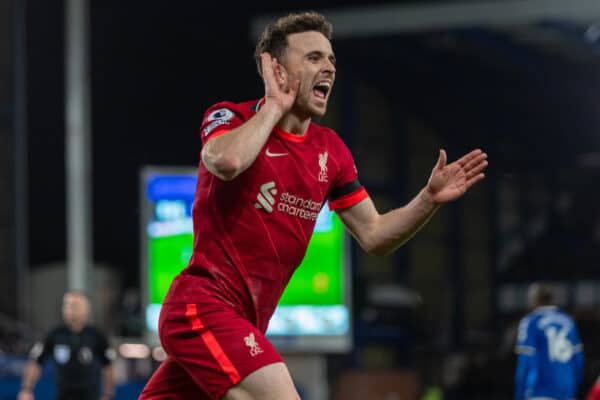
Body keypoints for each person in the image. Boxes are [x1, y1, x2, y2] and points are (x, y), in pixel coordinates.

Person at [140, 11, 488, 400]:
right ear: (276, 68)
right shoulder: (232, 117)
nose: (329, 68)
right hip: (201, 307)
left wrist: (428, 199)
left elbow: (375, 236)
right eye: (314, 58)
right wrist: (274, 105)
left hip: (242, 322)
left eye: (331, 59)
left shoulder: (331, 151)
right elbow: (225, 162)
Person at [18, 290, 116, 400]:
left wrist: (108, 394)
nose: (70, 309)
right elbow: (35, 362)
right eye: (66, 305)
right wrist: (26, 389)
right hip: (63, 396)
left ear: (86, 309)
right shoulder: (54, 335)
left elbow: (108, 367)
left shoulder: (96, 336)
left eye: (75, 305)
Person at [514, 282, 584, 400]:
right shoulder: (568, 321)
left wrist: (519, 394)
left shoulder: (531, 322)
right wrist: (574, 387)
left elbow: (525, 361)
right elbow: (578, 360)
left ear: (534, 298)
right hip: (566, 389)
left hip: (540, 389)